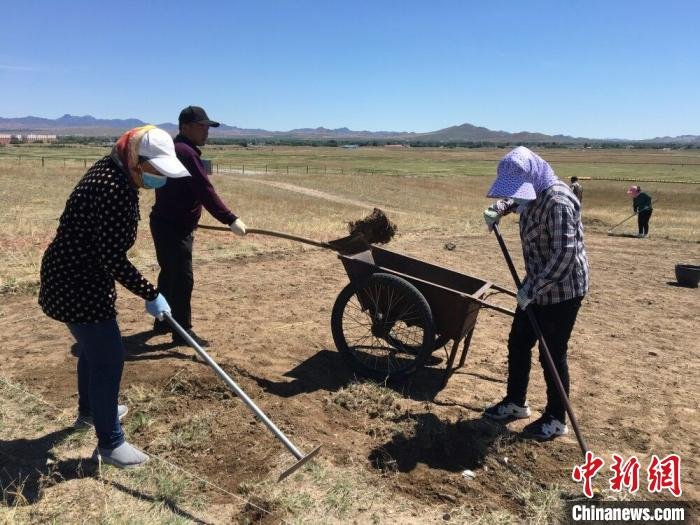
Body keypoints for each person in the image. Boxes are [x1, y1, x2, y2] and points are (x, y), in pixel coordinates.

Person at [39, 126, 189, 468]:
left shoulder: (113, 172)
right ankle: (111, 443)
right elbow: (112, 258)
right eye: (157, 170)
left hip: (72, 276)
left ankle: (92, 411)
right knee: (109, 357)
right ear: (137, 160)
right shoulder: (113, 189)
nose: (161, 178)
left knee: (95, 351)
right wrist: (151, 293)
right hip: (78, 284)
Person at [482, 146, 589, 440]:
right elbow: (516, 199)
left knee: (551, 353)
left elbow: (565, 254)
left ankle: (556, 418)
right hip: (536, 284)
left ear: (534, 176)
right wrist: (498, 209)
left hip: (563, 289)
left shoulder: (557, 200)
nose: (517, 194)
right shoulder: (531, 191)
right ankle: (516, 403)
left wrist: (534, 289)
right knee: (518, 341)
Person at [150, 106, 247, 347]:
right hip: (174, 226)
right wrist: (230, 218)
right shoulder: (186, 152)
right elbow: (204, 190)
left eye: (207, 127)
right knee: (182, 278)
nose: (206, 132)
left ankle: (164, 320)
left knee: (170, 273)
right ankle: (182, 331)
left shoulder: (177, 148)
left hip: (165, 222)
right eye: (201, 127)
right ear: (185, 127)